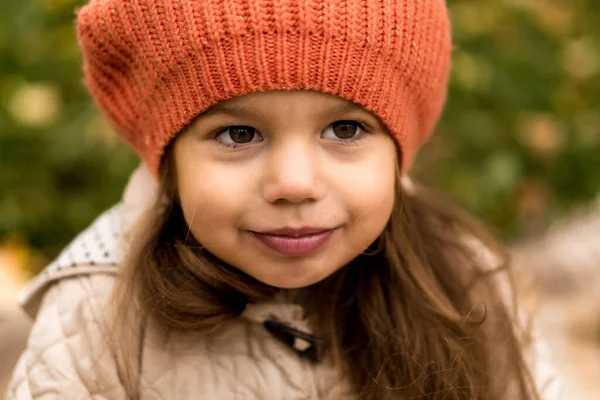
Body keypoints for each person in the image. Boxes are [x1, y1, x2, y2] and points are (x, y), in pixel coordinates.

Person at [6, 0, 561, 399]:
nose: (295, 184)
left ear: (399, 148)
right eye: (239, 135)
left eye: (345, 130)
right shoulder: (95, 317)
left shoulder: (460, 278)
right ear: (169, 159)